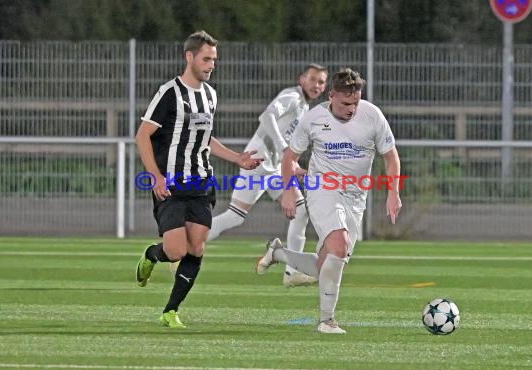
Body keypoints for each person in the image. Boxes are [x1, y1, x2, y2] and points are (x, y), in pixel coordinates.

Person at [256, 68, 403, 334]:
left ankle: (278, 253)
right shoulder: (315, 117)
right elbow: (290, 156)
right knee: (339, 242)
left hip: (356, 198)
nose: (352, 108)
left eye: (356, 102)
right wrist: (289, 191)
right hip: (322, 188)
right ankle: (327, 321)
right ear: (331, 95)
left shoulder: (372, 115)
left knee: (328, 263)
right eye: (346, 103)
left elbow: (391, 156)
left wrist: (393, 192)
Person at [135, 30, 262, 329]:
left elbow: (204, 138)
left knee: (197, 248)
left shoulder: (211, 94)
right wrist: (155, 176)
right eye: (206, 59)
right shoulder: (169, 93)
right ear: (189, 57)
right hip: (172, 184)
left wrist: (236, 158)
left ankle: (170, 311)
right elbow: (143, 136)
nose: (211, 65)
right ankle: (151, 256)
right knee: (175, 250)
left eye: (214, 60)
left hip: (202, 183)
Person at [204, 63, 329, 287]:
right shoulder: (292, 96)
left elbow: (286, 141)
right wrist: (282, 149)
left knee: (301, 213)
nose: (316, 85)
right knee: (235, 216)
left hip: (274, 167)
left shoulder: (304, 108)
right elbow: (267, 116)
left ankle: (292, 272)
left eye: (321, 82)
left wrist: (294, 165)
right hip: (258, 162)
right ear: (302, 80)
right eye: (313, 80)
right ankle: (186, 247)